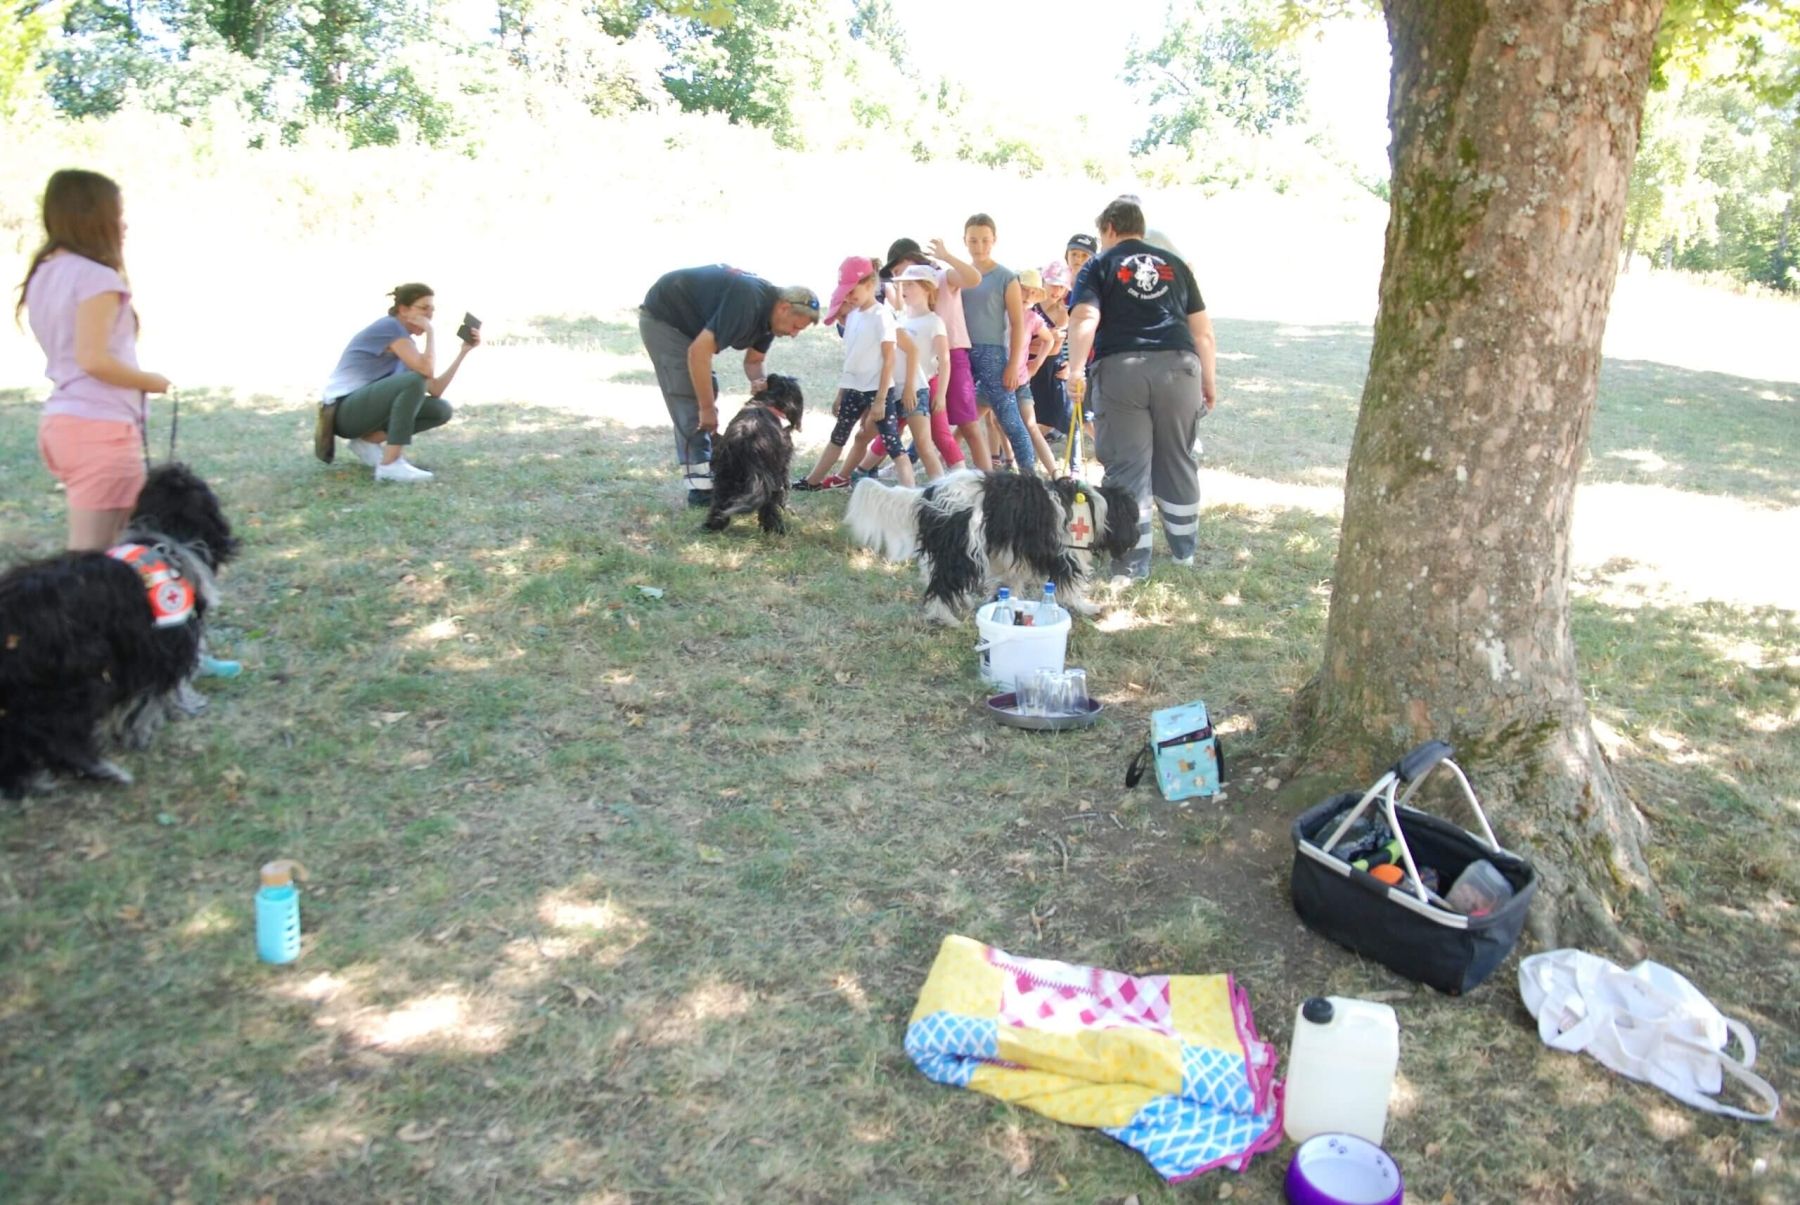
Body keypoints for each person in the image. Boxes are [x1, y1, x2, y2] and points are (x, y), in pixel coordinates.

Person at [1065, 197, 1218, 583]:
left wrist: (1076, 370)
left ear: (1110, 228)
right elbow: (1202, 332)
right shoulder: (1175, 265)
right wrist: (1208, 380)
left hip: (1122, 371)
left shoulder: (1099, 264)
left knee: (1127, 464)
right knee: (1178, 457)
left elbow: (1084, 316)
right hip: (1180, 369)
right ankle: (1184, 550)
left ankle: (1132, 563)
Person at [17, 169, 170, 550]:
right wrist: (150, 381)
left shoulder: (45, 272)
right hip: (99, 427)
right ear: (92, 217)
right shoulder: (96, 278)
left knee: (113, 554)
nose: (123, 225)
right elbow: (93, 359)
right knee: (92, 561)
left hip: (65, 422)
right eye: (117, 214)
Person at [638, 264, 821, 505]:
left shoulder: (771, 320)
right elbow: (698, 352)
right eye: (796, 326)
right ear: (784, 308)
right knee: (691, 401)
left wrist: (759, 384)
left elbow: (754, 361)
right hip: (666, 319)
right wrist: (706, 409)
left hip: (692, 327)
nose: (795, 334)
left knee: (708, 389)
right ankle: (701, 489)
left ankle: (717, 467)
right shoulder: (747, 302)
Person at [320, 284, 478, 483]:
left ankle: (367, 442)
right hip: (342, 412)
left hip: (361, 412)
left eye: (432, 310)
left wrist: (463, 352)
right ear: (403, 310)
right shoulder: (390, 328)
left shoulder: (406, 345)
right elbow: (425, 371)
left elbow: (435, 389)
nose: (429, 315)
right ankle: (390, 465)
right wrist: (430, 333)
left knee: (440, 409)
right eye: (424, 308)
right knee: (414, 380)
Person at [798, 257, 907, 489]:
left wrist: (880, 400)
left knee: (892, 443)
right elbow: (851, 360)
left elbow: (889, 359)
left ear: (870, 283)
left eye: (852, 290)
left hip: (877, 391)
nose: (848, 297)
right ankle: (812, 481)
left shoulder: (882, 316)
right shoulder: (853, 315)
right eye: (845, 292)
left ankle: (910, 491)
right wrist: (841, 393)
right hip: (853, 389)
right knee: (838, 435)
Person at [882, 237, 987, 470]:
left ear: (911, 259)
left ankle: (987, 477)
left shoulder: (943, 276)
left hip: (952, 354)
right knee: (915, 417)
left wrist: (946, 256)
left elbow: (974, 278)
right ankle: (902, 463)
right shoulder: (909, 293)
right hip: (923, 365)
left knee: (968, 423)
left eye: (899, 270)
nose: (900, 280)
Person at [960, 214, 1038, 474]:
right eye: (973, 240)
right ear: (965, 241)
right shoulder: (959, 275)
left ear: (994, 240)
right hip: (961, 352)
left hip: (992, 354)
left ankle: (1029, 474)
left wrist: (1013, 365)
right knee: (952, 413)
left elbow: (1017, 323)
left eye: (985, 240)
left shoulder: (1006, 277)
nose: (979, 246)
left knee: (1009, 419)